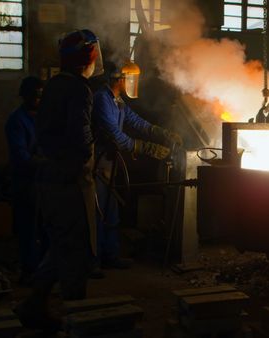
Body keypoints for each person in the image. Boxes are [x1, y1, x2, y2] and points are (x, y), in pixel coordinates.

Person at [16, 29, 103, 331]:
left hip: (49, 179)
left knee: (59, 245)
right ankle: (78, 317)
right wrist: (90, 156)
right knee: (77, 251)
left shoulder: (54, 84)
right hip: (69, 183)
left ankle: (34, 303)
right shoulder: (80, 89)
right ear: (89, 57)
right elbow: (80, 138)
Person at [92, 61, 181, 272]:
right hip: (98, 162)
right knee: (97, 212)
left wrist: (161, 133)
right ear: (120, 79)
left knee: (111, 211)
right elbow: (115, 136)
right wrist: (145, 147)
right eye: (131, 79)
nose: (133, 83)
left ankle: (110, 256)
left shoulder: (118, 101)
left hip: (111, 163)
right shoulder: (102, 100)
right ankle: (93, 263)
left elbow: (137, 122)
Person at [4, 76, 46, 284]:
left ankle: (45, 270)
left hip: (44, 180)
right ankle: (29, 271)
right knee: (28, 228)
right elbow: (21, 155)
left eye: (41, 96)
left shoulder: (43, 118)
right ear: (26, 96)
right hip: (26, 181)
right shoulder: (16, 120)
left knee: (46, 227)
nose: (38, 100)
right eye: (35, 96)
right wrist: (45, 163)